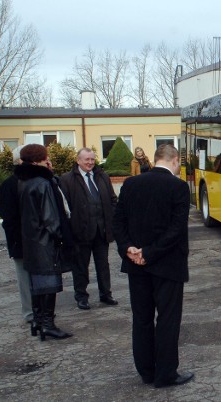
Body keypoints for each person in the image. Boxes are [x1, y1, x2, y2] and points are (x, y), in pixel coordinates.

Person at [112, 144, 192, 388]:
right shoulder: (178, 187)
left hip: (137, 265)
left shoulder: (130, 184)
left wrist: (129, 249)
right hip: (167, 264)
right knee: (167, 319)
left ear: (155, 158)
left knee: (142, 318)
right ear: (175, 160)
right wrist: (150, 253)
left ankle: (146, 371)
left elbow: (118, 221)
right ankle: (165, 374)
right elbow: (176, 229)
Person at [16, 144, 73, 341]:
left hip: (31, 241)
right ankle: (47, 325)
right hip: (45, 242)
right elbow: (50, 217)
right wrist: (60, 237)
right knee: (49, 283)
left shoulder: (24, 181)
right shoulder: (42, 183)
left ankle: (38, 321)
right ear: (40, 159)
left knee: (37, 284)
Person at [59, 148, 118, 310]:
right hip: (80, 232)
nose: (90, 162)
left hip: (101, 231)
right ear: (78, 161)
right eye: (86, 160)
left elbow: (113, 200)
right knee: (80, 267)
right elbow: (65, 208)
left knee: (103, 265)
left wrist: (111, 220)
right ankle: (81, 297)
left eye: (92, 159)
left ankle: (106, 294)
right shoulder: (67, 179)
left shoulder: (102, 176)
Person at [0, 145, 32, 325]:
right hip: (20, 241)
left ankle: (41, 309)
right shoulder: (9, 184)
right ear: (20, 161)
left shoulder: (36, 181)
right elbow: (7, 216)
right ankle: (29, 312)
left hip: (37, 241)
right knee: (25, 279)